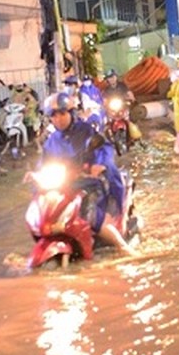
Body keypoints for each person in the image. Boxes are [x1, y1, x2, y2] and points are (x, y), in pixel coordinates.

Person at [42, 92, 135, 256]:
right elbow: (44, 164)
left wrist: (99, 164)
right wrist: (36, 177)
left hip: (90, 183)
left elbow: (104, 148)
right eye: (53, 115)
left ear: (71, 113)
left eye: (62, 114)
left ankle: (122, 247)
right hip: (65, 186)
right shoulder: (51, 141)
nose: (58, 119)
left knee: (89, 217)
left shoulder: (86, 131)